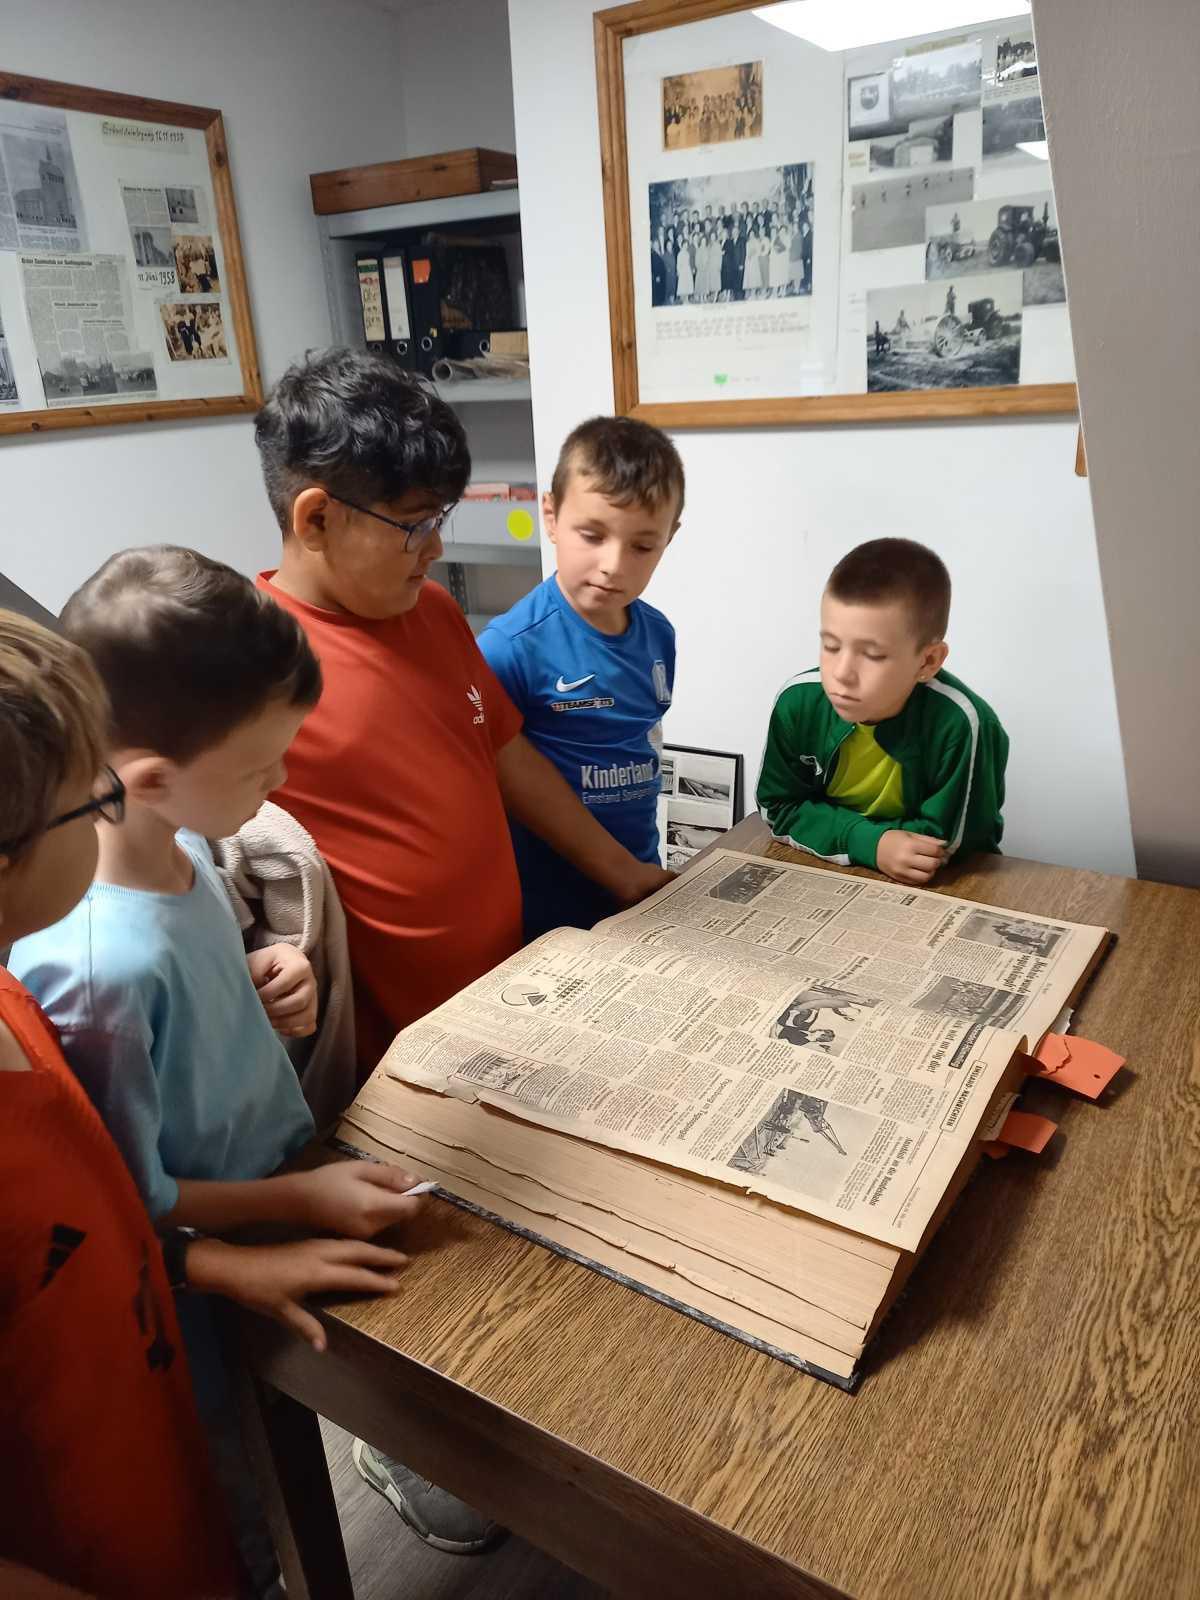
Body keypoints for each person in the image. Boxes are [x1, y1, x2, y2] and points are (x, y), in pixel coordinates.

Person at [251, 350, 671, 1547]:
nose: (438, 548)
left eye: (447, 518)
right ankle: (395, 1442)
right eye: (413, 524)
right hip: (383, 1044)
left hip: (502, 994)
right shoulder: (248, 652)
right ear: (315, 516)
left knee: (520, 1254)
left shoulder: (431, 613)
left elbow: (504, 756)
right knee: (415, 1271)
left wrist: (625, 875)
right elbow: (179, 830)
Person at [8, 552, 426, 1596]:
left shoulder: (182, 861)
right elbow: (133, 1196)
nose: (281, 787)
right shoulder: (93, 963)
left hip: (265, 1202)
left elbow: (169, 1027)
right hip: (195, 1276)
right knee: (233, 1482)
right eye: (264, 769)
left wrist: (250, 979)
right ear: (139, 779)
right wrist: (302, 1193)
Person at [479, 417, 683, 940]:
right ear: (550, 515)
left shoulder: (658, 634)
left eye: (643, 546)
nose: (613, 564)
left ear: (669, 538)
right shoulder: (507, 649)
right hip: (546, 907)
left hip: (639, 883)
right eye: (592, 535)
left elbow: (643, 745)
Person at [756, 538, 1008, 887]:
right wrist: (870, 843)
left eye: (872, 655)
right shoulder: (797, 702)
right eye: (830, 646)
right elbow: (778, 807)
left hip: (950, 887)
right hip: (826, 874)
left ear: (928, 661)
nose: (841, 672)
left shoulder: (963, 724)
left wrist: (834, 828)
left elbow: (947, 847)